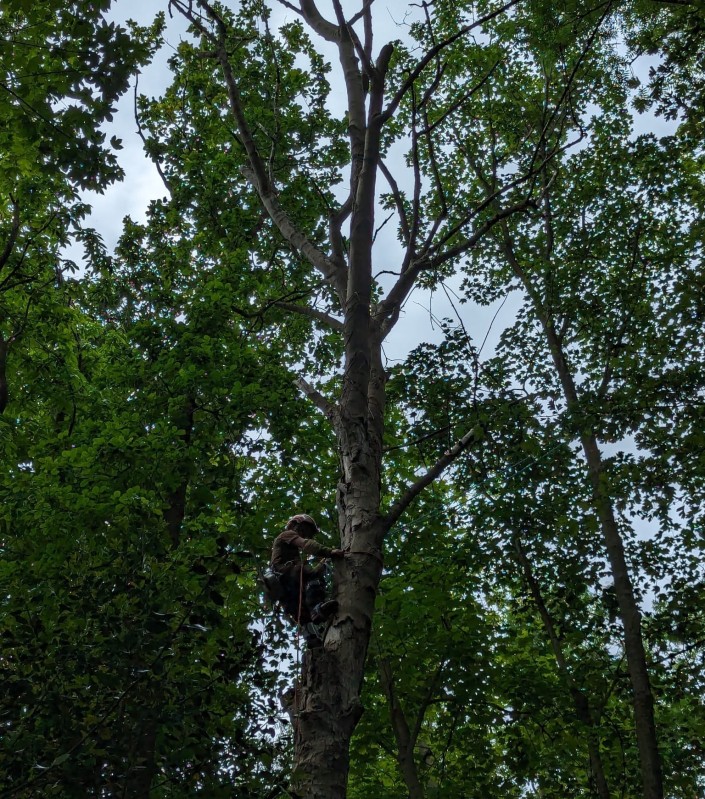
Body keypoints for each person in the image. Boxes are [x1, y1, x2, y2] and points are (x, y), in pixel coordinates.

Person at [270, 513, 345, 627]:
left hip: (287, 586)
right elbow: (306, 545)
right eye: (307, 530)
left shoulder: (292, 552)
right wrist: (330, 552)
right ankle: (316, 608)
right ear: (298, 525)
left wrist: (323, 564)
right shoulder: (287, 534)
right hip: (284, 573)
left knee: (302, 611)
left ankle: (312, 635)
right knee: (311, 576)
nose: (307, 535)